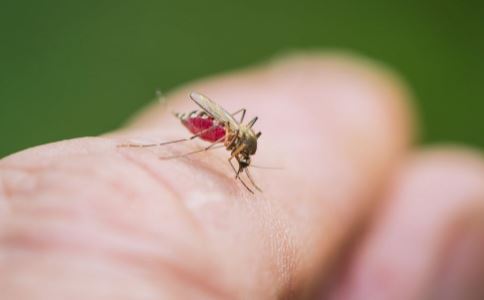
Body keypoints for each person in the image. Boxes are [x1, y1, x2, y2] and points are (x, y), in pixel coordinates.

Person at [0, 54, 482, 299]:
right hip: (208, 122)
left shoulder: (242, 144)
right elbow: (233, 137)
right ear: (242, 145)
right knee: (198, 143)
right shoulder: (232, 137)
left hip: (219, 123)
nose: (241, 158)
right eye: (243, 155)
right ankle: (168, 147)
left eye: (243, 155)